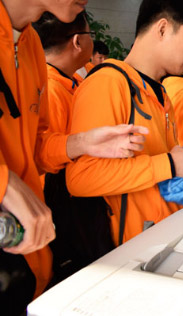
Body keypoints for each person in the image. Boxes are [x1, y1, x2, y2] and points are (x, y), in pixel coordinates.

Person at [0, 0, 147, 312]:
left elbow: (32, 145)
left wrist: (81, 143)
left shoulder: (28, 47)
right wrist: (5, 183)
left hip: (26, 251)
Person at [66, 0, 183, 248]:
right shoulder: (108, 83)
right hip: (129, 250)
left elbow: (159, 173)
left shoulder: (158, 92)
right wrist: (171, 164)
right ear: (162, 29)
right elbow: (81, 178)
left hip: (161, 240)